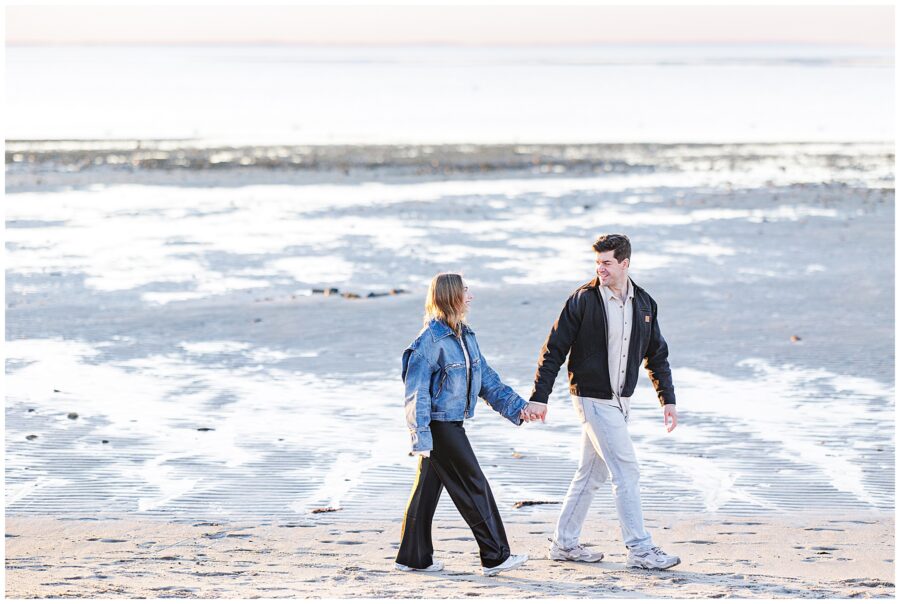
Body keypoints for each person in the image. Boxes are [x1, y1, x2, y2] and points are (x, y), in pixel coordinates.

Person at [529, 234, 681, 570]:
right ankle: (640, 549)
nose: (601, 269)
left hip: (621, 400)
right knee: (626, 469)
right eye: (597, 263)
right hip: (591, 397)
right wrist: (540, 398)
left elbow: (657, 355)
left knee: (590, 474)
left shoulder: (643, 303)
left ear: (625, 263)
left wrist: (667, 399)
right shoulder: (583, 299)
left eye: (607, 263)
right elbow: (553, 349)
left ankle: (564, 544)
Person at [395, 272, 545, 577]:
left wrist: (519, 408)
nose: (471, 296)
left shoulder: (465, 336)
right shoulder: (428, 343)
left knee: (426, 492)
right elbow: (416, 394)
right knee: (474, 486)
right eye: (466, 291)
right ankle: (495, 556)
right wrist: (420, 438)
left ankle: (414, 556)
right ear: (452, 296)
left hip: (451, 424)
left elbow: (486, 380)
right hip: (440, 426)